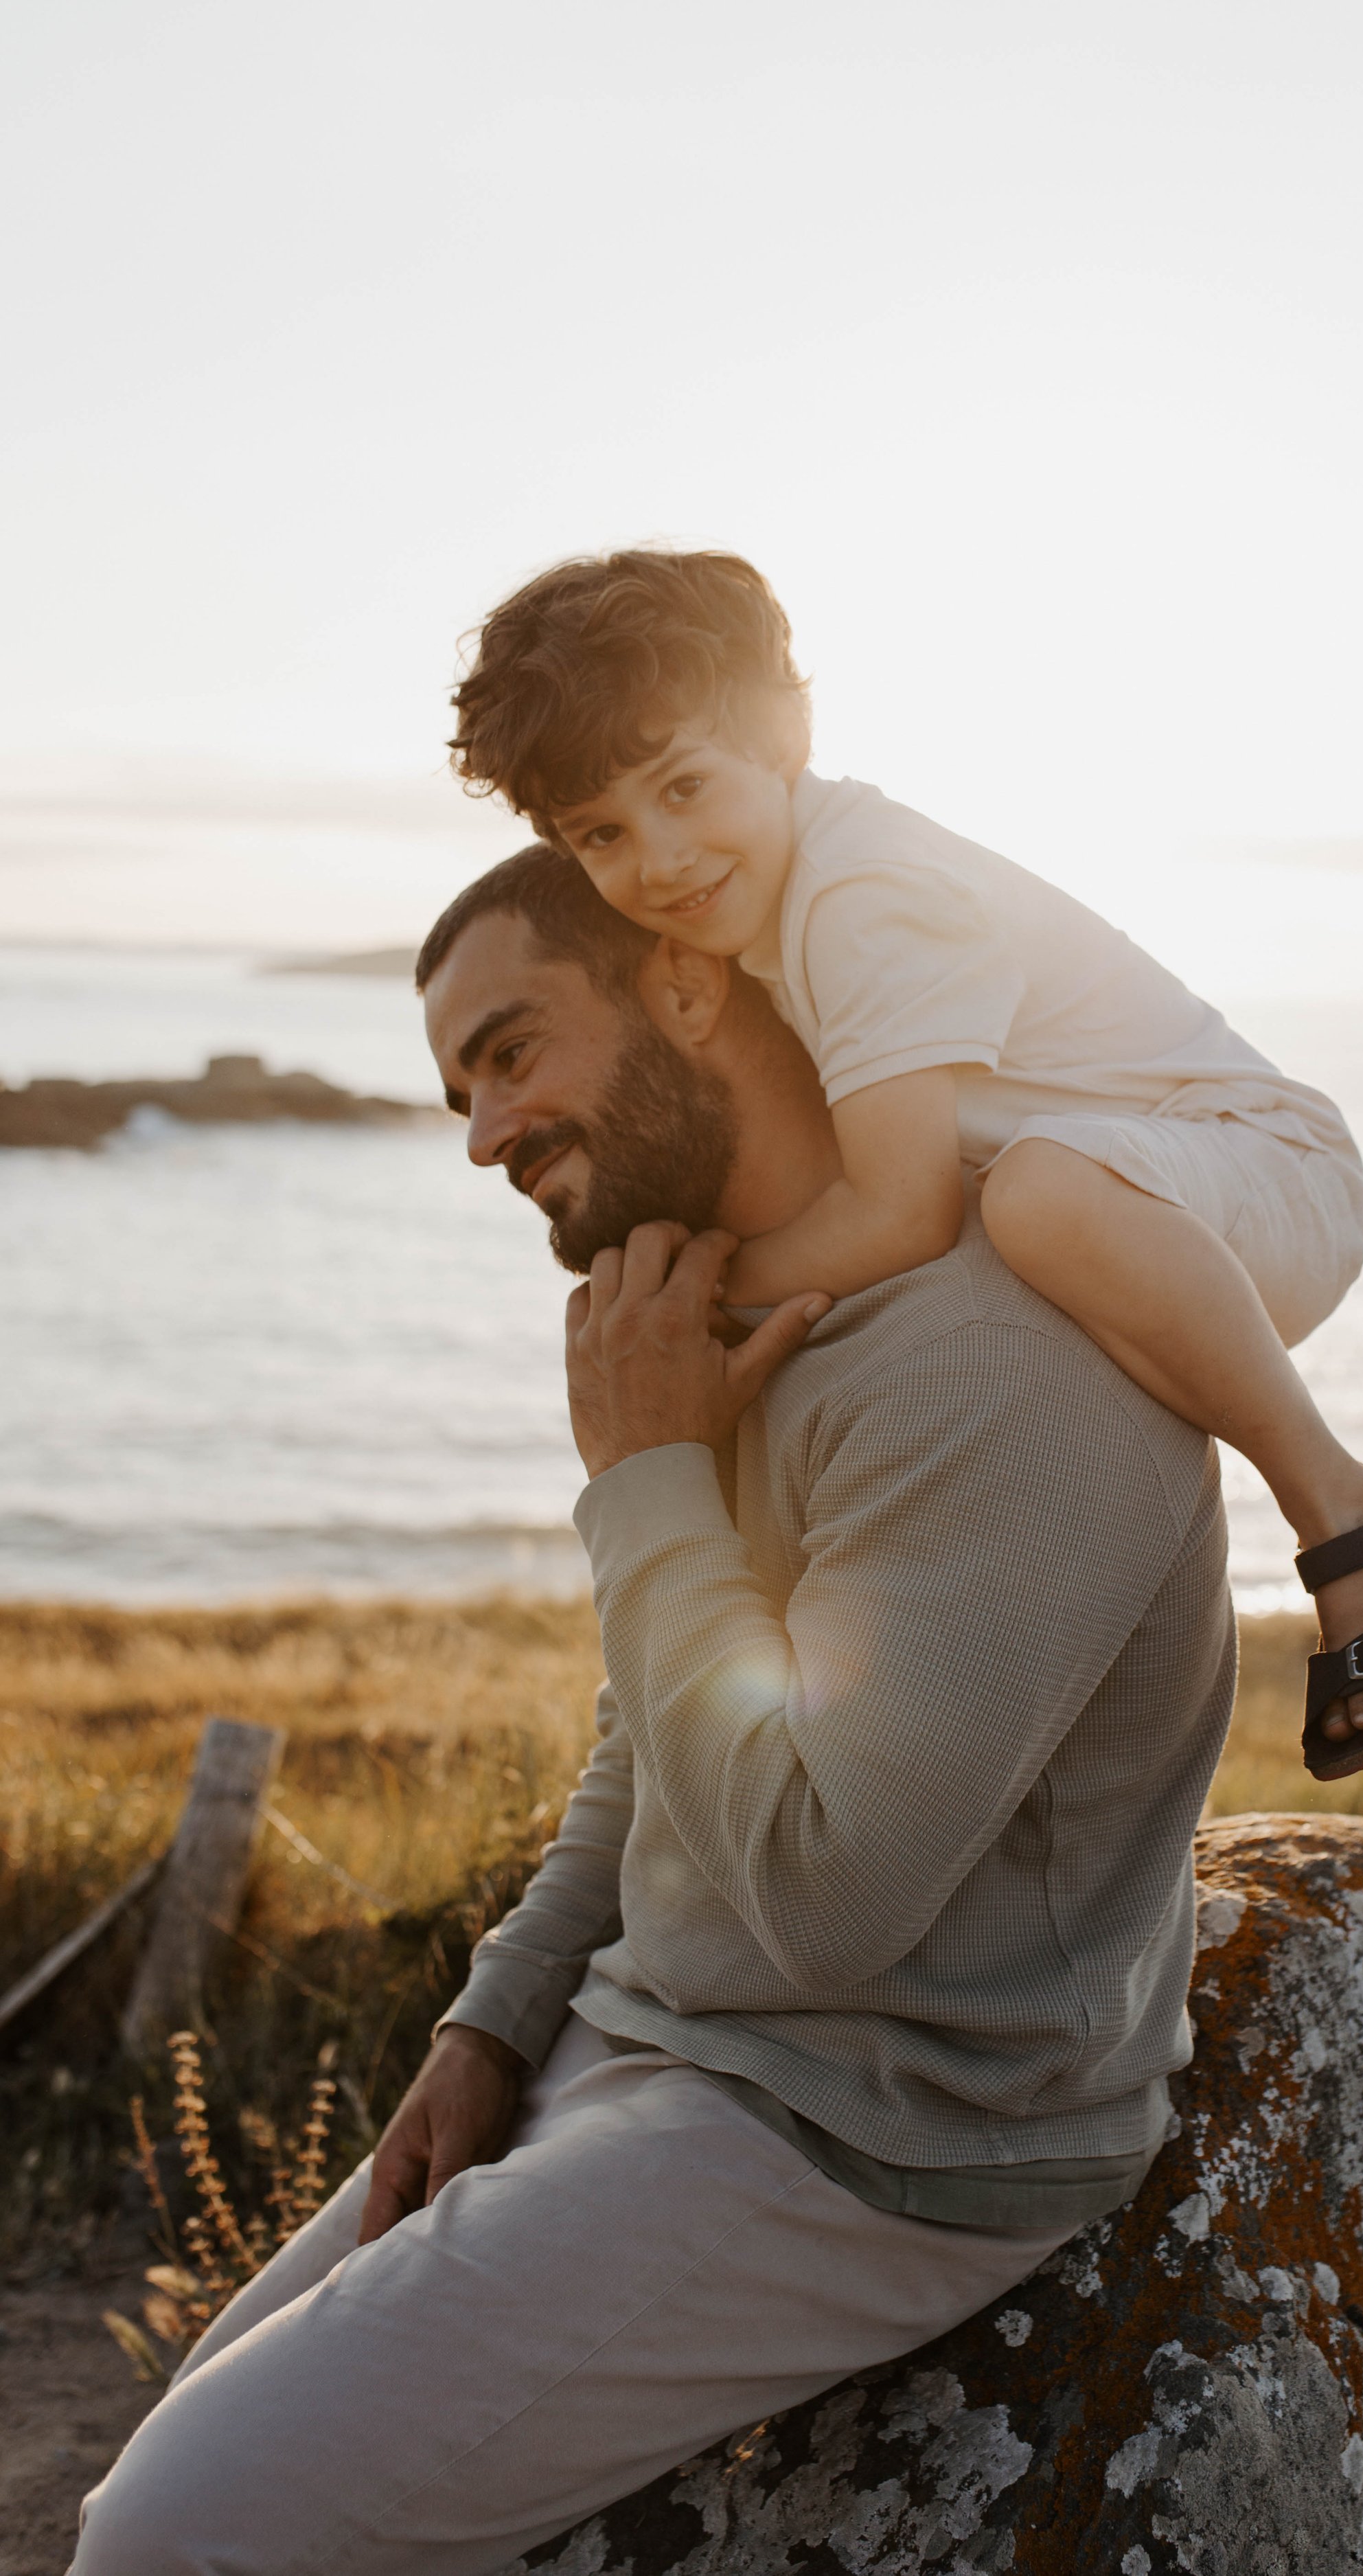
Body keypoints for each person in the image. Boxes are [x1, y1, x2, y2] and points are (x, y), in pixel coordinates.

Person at [77, 847, 1237, 2576]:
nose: (482, 1133)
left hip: (872, 2129)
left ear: (690, 984)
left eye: (510, 1048)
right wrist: (495, 2024)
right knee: (136, 2498)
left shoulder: (1000, 1355)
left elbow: (831, 1898)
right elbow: (668, 1733)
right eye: (459, 1087)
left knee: (184, 2539)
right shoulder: (750, 1293)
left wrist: (642, 1479)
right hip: (656, 2036)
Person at [450, 549, 1363, 1779]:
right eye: (602, 833)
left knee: (1027, 1199)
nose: (659, 860)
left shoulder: (859, 894)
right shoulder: (771, 902)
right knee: (1016, 1232)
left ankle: (1357, 1522)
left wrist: (699, 1299)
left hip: (1264, 1170)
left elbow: (902, 1209)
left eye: (683, 786)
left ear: (785, 734)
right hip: (1148, 1197)